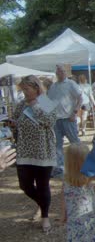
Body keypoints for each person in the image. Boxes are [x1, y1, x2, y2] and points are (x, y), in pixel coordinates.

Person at [12, 75, 57, 233]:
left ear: (36, 88)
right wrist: (13, 124)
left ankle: (45, 216)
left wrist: (35, 105)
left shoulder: (45, 101)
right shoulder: (21, 104)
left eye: (27, 89)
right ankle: (42, 203)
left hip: (43, 151)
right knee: (24, 185)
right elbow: (15, 120)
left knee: (42, 185)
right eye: (23, 89)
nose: (24, 92)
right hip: (24, 150)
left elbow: (50, 121)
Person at [61, 143, 95, 241]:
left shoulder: (65, 182)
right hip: (93, 219)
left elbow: (64, 202)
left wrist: (64, 215)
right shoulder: (89, 178)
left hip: (75, 221)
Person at [47, 65, 82, 177]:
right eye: (59, 72)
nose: (61, 73)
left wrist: (75, 111)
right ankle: (60, 168)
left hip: (68, 118)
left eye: (63, 71)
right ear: (56, 74)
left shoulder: (71, 84)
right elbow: (48, 104)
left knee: (75, 142)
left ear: (66, 73)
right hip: (56, 120)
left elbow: (80, 97)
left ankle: (82, 164)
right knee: (57, 145)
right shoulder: (53, 86)